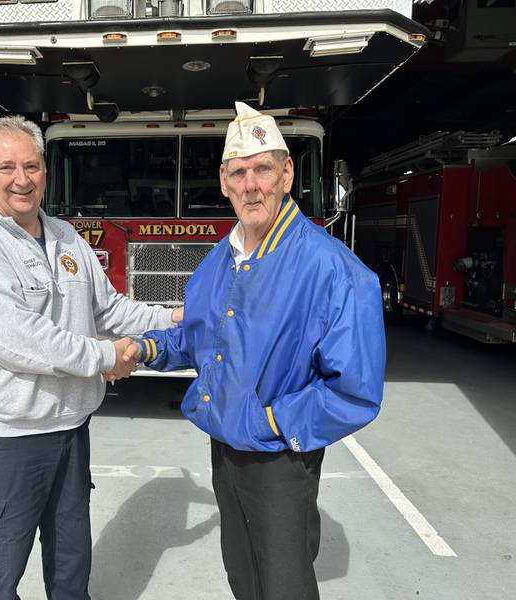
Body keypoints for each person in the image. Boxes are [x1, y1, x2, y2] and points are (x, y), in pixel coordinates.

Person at [125, 101, 386, 600]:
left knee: (284, 586)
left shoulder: (332, 269)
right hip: (225, 450)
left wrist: (269, 422)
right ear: (224, 182)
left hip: (279, 459)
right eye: (239, 172)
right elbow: (199, 338)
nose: (251, 185)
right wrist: (143, 349)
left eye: (263, 168)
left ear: (287, 174)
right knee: (243, 576)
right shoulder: (220, 260)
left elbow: (354, 391)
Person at [0, 114, 181, 600]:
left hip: (70, 432)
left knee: (72, 571)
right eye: (7, 166)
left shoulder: (68, 238)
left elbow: (109, 308)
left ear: (45, 171)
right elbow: (15, 339)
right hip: (5, 441)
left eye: (31, 166)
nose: (21, 179)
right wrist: (104, 357)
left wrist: (173, 318)